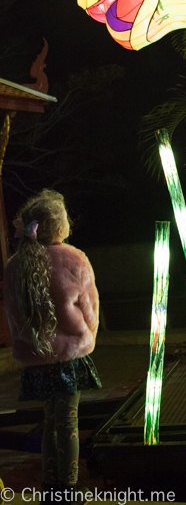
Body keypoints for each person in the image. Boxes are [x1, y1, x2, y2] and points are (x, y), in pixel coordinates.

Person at [3, 189, 101, 497]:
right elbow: (90, 309)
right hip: (70, 356)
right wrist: (88, 337)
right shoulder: (74, 259)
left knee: (48, 422)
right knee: (68, 421)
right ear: (59, 227)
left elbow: (13, 314)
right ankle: (69, 486)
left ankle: (50, 484)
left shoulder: (14, 265)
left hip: (37, 355)